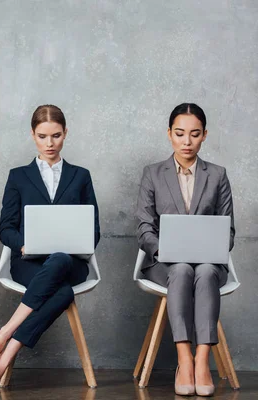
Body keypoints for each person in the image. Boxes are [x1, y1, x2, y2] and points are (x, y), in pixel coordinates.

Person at [0, 104, 100, 394]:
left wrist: (76, 244)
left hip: (71, 262)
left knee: (59, 260)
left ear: (65, 134)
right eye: (43, 136)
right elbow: (5, 227)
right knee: (62, 292)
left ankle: (4, 336)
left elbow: (93, 230)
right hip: (29, 263)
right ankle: (5, 355)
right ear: (33, 135)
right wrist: (23, 244)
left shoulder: (81, 176)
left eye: (56, 136)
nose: (49, 144)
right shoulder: (18, 176)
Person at [136, 103, 234, 397]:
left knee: (203, 272)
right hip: (165, 262)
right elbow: (143, 227)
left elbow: (228, 230)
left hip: (208, 262)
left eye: (194, 134)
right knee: (180, 269)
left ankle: (202, 360)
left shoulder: (217, 175)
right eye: (180, 134)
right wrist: (164, 249)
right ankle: (184, 359)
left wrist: (211, 249)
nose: (186, 141)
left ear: (204, 135)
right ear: (169, 134)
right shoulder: (153, 173)